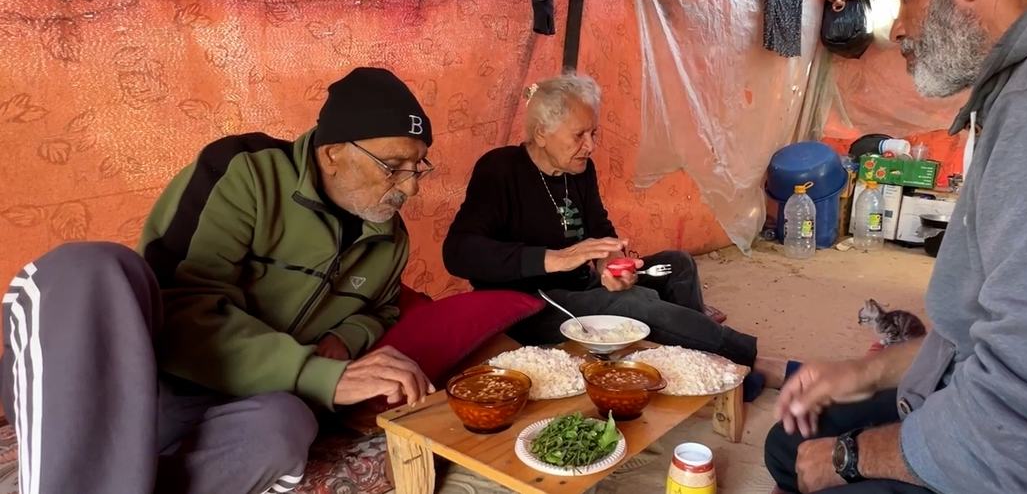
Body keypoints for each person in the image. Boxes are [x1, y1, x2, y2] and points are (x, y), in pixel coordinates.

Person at [764, 0, 1027, 492]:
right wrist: (862, 373)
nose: (896, 29)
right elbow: (984, 339)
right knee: (789, 443)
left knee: (811, 463)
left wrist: (850, 458)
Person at [1, 67, 440, 494]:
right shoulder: (246, 173)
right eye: (393, 165)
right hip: (146, 383)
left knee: (286, 425)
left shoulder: (390, 238)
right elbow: (179, 306)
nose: (412, 187)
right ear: (332, 154)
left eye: (418, 167)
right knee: (94, 267)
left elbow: (382, 307)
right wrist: (319, 374)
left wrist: (346, 336)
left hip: (243, 403)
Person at [442, 73, 788, 388]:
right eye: (579, 135)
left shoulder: (580, 170)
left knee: (677, 264)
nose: (590, 145)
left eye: (594, 133)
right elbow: (458, 252)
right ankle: (748, 360)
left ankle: (704, 361)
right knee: (635, 303)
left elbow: (601, 230)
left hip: (583, 283)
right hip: (533, 302)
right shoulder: (500, 169)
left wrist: (611, 265)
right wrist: (554, 259)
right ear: (541, 133)